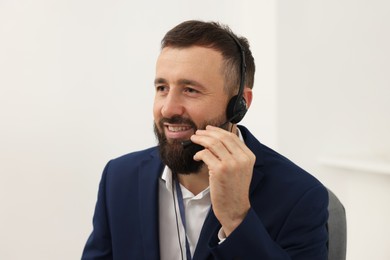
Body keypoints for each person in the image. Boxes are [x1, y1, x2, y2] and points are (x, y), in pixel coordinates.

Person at [82, 20, 328, 260]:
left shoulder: (300, 196)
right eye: (162, 88)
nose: (168, 109)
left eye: (190, 90)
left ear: (240, 104)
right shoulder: (119, 177)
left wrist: (237, 219)